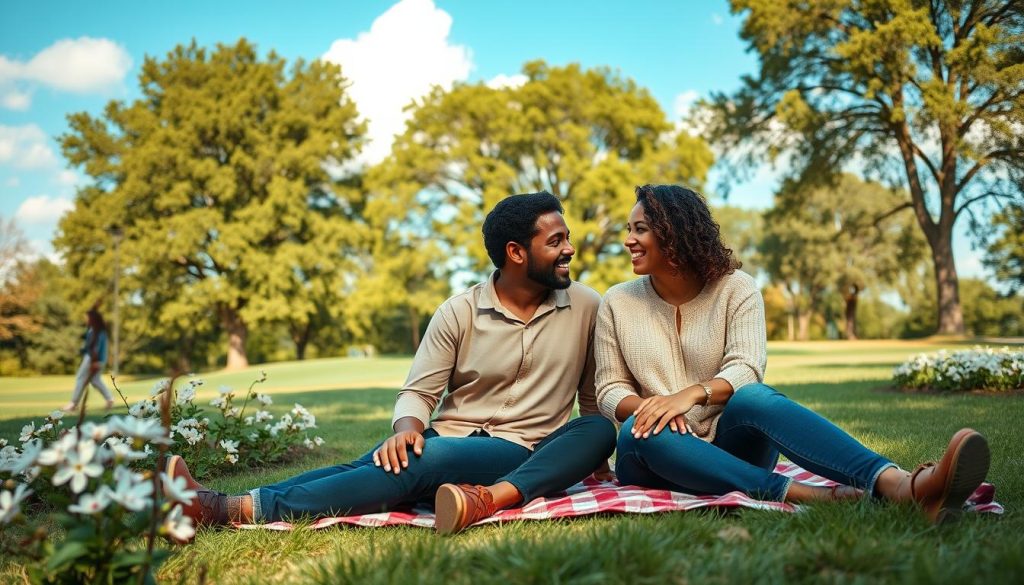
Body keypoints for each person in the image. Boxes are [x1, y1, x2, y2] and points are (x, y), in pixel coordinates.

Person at [169, 192, 615, 535]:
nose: (570, 249)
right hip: (454, 435)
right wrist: (406, 433)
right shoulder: (458, 311)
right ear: (517, 253)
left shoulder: (587, 305)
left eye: (567, 237)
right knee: (371, 467)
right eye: (556, 240)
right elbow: (420, 393)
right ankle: (224, 503)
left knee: (597, 431)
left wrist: (592, 464)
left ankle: (223, 508)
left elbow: (591, 396)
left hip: (525, 450)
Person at [594, 184, 990, 523]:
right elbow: (609, 387)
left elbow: (747, 368)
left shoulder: (737, 288)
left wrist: (688, 396)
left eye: (639, 229)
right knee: (637, 431)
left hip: (732, 446)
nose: (628, 239)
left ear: (673, 234)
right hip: (657, 455)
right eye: (629, 229)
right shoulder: (617, 301)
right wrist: (654, 409)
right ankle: (803, 494)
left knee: (755, 397)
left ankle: (899, 484)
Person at [63, 306, 115, 412]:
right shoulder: (97, 330)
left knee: (80, 378)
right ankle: (110, 399)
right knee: (95, 380)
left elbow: (96, 348)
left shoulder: (97, 332)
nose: (86, 320)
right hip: (98, 359)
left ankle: (73, 403)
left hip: (93, 359)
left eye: (87, 318)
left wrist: (95, 361)